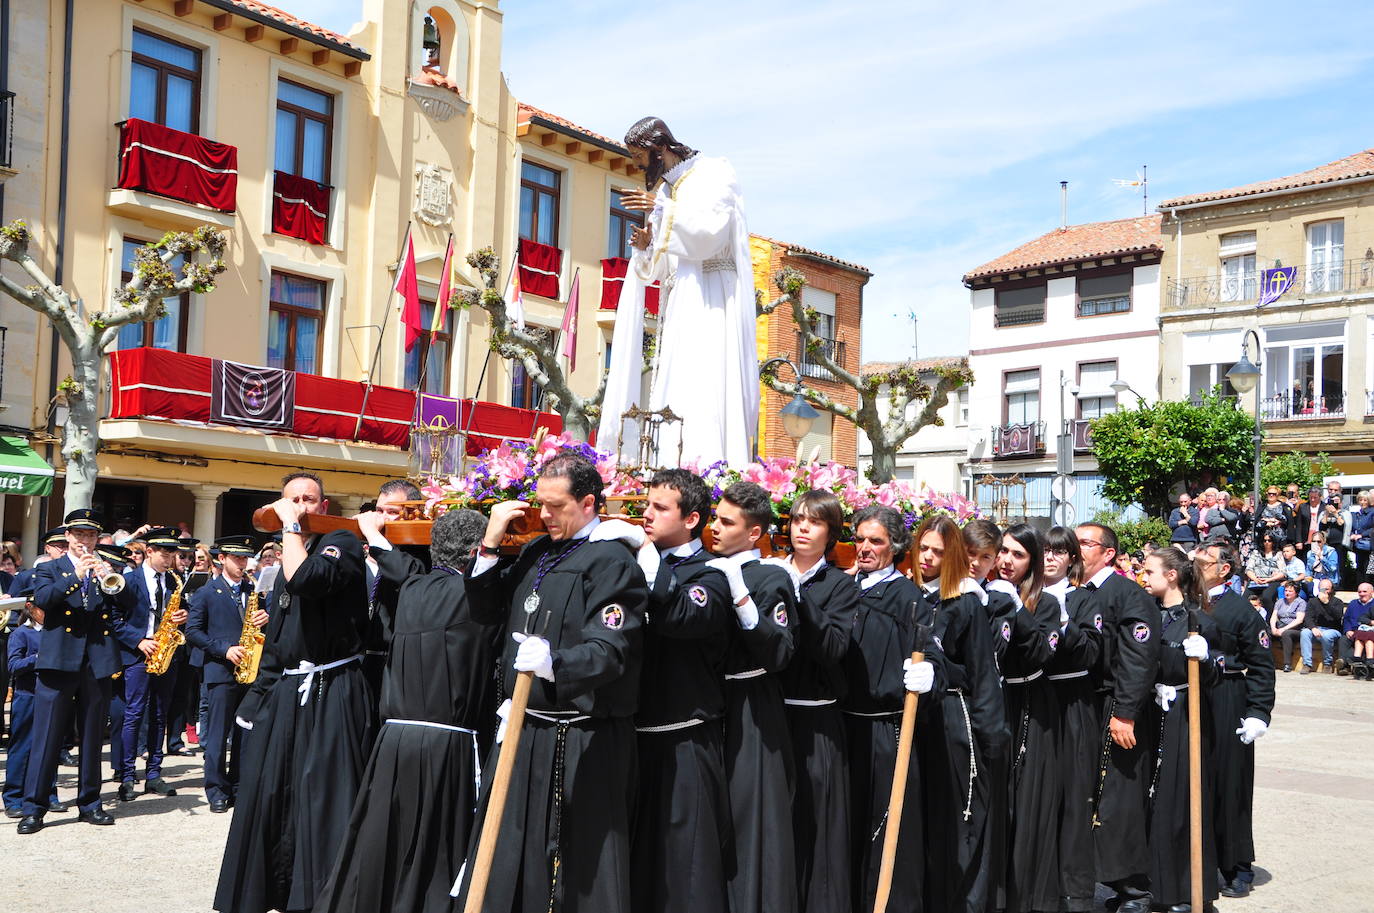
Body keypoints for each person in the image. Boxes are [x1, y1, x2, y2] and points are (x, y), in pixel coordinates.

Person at [453, 452, 648, 913]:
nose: (544, 515)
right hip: (525, 727)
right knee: (509, 847)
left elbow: (613, 649)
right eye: (540, 504)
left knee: (571, 860)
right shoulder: (538, 552)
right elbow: (487, 611)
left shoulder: (612, 562)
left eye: (556, 506)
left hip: (579, 734)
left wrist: (555, 663)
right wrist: (490, 543)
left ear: (587, 503)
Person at [315, 509, 499, 913]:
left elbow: (390, 557)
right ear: (475, 552)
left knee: (384, 835)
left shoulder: (414, 586)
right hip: (445, 744)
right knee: (436, 848)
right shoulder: (476, 593)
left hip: (394, 740)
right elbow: (480, 565)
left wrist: (368, 529)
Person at [215, 471, 376, 913]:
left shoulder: (341, 541)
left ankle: (323, 897)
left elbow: (309, 579)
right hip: (289, 688)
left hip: (333, 689)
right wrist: (256, 696)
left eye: (310, 499)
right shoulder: (286, 560)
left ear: (323, 507)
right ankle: (276, 890)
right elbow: (281, 638)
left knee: (323, 796)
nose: (302, 505)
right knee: (272, 791)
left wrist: (289, 527)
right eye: (293, 499)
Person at [598, 117, 757, 467]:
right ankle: (673, 463)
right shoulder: (668, 192)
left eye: (640, 156)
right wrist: (647, 245)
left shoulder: (715, 172)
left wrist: (660, 210)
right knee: (680, 379)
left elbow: (709, 232)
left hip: (713, 294)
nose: (638, 165)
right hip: (683, 298)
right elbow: (664, 262)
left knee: (707, 376)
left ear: (660, 149)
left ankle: (711, 464)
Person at [627, 468, 732, 913]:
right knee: (635, 862)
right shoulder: (634, 566)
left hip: (686, 736)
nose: (646, 515)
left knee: (686, 867)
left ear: (691, 519)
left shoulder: (712, 573)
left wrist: (648, 560)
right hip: (632, 735)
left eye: (659, 508)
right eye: (646, 505)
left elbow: (685, 618)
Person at [707, 481, 799, 913]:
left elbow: (780, 650)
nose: (715, 529)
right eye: (714, 519)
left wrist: (741, 597)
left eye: (727, 522)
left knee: (750, 818)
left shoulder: (771, 577)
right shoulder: (704, 569)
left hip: (752, 707)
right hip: (709, 705)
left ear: (754, 533)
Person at [842, 504, 939, 912]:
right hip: (842, 727)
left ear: (895, 546)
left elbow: (937, 653)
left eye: (875, 541)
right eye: (860, 539)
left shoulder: (909, 597)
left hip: (887, 730)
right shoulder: (842, 587)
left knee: (886, 827)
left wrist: (932, 673)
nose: (865, 548)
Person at [18, 510, 137, 835]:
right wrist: (75, 575)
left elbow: (130, 602)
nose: (85, 541)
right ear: (68, 537)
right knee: (47, 736)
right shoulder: (49, 568)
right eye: (79, 535)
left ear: (97, 538)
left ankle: (90, 802)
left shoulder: (105, 569)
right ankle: (34, 808)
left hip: (96, 660)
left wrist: (108, 576)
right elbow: (43, 599)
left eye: (90, 536)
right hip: (59, 660)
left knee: (92, 735)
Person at [767, 489, 857, 913]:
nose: (802, 527)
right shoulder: (767, 573)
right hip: (769, 716)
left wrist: (798, 595)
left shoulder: (840, 585)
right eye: (798, 518)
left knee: (817, 823)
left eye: (814, 521)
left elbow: (835, 646)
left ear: (831, 533)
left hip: (817, 721)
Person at [912, 515, 1005, 913]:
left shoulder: (965, 603)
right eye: (924, 548)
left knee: (958, 823)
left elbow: (983, 673)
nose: (928, 557)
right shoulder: (907, 595)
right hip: (912, 723)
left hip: (952, 719)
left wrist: (990, 738)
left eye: (939, 551)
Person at [1075, 521, 1160, 913]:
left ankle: (1135, 890)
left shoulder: (1126, 595)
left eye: (1085, 543)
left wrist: (1125, 713)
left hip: (1114, 709)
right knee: (1089, 795)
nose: (1076, 549)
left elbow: (1137, 660)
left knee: (1118, 799)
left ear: (1108, 553)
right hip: (1083, 708)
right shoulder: (1079, 593)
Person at [1138, 547, 1222, 912]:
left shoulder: (1197, 619)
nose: (1144, 576)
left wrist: (1206, 659)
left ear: (1171, 575)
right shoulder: (1145, 614)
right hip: (1150, 711)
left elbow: (1219, 676)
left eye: (1150, 571)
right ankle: (1150, 887)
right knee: (1150, 801)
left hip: (1183, 715)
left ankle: (1185, 890)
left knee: (1180, 800)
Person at [991, 523, 1062, 913]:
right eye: (1002, 551)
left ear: (1032, 562)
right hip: (994, 700)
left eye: (1017, 555)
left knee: (1028, 800)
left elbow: (1039, 652)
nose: (1006, 561)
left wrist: (1017, 609)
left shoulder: (1047, 603)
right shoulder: (985, 593)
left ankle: (1028, 897)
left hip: (1031, 704)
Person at [1197, 540, 1274, 899]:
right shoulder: (1185, 602)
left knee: (1230, 783)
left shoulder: (1242, 611)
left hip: (1228, 697)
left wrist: (1259, 712)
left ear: (1223, 569)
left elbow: (1261, 666)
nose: (1196, 564)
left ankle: (1237, 864)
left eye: (1204, 560)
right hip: (1189, 697)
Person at [185, 536, 271, 814]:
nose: (242, 563)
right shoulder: (207, 592)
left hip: (249, 671)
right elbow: (193, 632)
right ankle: (216, 789)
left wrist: (267, 617)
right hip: (221, 670)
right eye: (237, 558)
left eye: (245, 558)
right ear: (221, 559)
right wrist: (224, 649)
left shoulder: (254, 590)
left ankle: (238, 785)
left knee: (245, 733)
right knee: (218, 734)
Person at [1049, 529, 1104, 913]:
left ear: (1072, 559)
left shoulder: (1084, 600)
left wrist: (1065, 623)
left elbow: (1090, 652)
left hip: (1072, 705)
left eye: (1060, 552)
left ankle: (1075, 893)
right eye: (1045, 551)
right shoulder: (1023, 595)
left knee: (1073, 797)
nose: (1050, 558)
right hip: (1034, 703)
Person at [110, 529, 187, 801]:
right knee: (134, 714)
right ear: (149, 551)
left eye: (172, 553)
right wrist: (139, 641)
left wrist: (182, 616)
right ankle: (128, 775)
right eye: (164, 553)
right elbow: (113, 618)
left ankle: (154, 773)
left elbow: (180, 614)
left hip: (166, 654)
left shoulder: (175, 582)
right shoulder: (128, 580)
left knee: (159, 715)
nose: (169, 559)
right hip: (139, 655)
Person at [359, 479, 427, 704]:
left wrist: (372, 534)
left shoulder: (421, 551)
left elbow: (405, 573)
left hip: (399, 664)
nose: (382, 518)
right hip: (364, 660)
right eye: (379, 510)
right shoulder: (378, 547)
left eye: (392, 511)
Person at [4, 601, 61, 817]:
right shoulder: (21, 634)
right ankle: (14, 798)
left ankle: (49, 794)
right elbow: (14, 666)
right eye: (45, 609)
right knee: (22, 748)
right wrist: (38, 658)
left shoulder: (56, 631)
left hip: (52, 696)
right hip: (27, 697)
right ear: (31, 608)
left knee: (49, 746)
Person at [1300, 579, 1345, 674]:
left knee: (1327, 635)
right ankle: (1307, 664)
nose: (1324, 591)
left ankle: (1327, 664)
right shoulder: (1312, 601)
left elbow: (1338, 617)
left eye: (1327, 589)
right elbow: (1308, 618)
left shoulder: (1337, 602)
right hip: (1316, 628)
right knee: (1304, 633)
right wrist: (1313, 628)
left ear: (1332, 590)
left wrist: (1326, 603)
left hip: (1333, 629)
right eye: (1322, 589)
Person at [1269, 581, 1306, 672]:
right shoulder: (1280, 602)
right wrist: (1273, 628)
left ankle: (1287, 664)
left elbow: (1299, 620)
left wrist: (1283, 629)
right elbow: (1274, 616)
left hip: (1295, 628)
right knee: (1265, 632)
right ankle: (1269, 662)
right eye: (1286, 590)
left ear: (1296, 592)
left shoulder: (1301, 602)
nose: (1287, 593)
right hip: (1280, 626)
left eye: (1290, 591)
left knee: (1286, 634)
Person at [1244, 534, 1285, 609]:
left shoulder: (1278, 554)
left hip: (1271, 581)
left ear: (1273, 542)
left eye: (1269, 540)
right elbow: (1248, 569)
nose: (1267, 542)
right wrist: (1255, 579)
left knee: (1266, 598)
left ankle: (1268, 619)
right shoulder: (1256, 553)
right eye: (1264, 540)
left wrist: (1269, 579)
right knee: (1245, 598)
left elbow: (1283, 572)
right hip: (1256, 580)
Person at [1303, 531, 1339, 597]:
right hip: (1315, 578)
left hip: (1328, 579)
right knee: (1302, 591)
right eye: (1314, 541)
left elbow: (1333, 568)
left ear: (1324, 541)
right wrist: (1307, 577)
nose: (1316, 544)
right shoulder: (1310, 553)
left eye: (1319, 541)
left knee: (1320, 591)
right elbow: (1308, 569)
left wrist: (1321, 558)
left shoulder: (1331, 552)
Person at [1351, 491, 1374, 587]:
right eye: (1360, 500)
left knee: (1368, 568)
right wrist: (1352, 534)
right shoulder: (1356, 514)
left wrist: (1362, 535)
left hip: (1369, 544)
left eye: (1365, 500)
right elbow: (1353, 527)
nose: (1362, 502)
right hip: (1358, 545)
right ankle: (1359, 587)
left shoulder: (1372, 513)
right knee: (1359, 567)